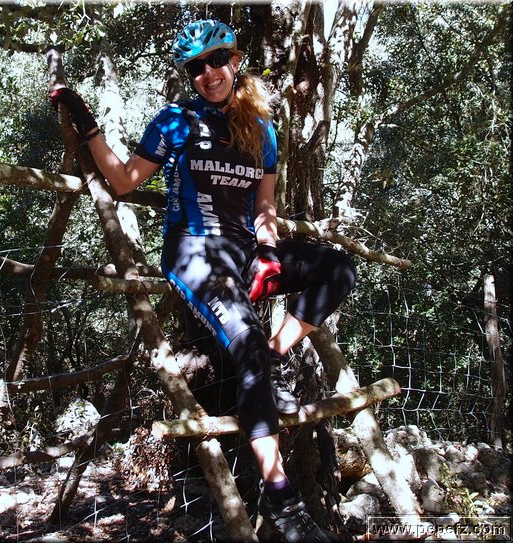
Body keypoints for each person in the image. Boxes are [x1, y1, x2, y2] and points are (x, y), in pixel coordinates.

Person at [51, 19, 356, 542]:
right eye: (196, 67)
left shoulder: (261, 128)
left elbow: (265, 204)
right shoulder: (175, 120)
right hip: (194, 252)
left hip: (244, 253)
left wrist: (267, 252)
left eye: (217, 61)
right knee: (245, 343)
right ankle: (281, 499)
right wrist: (88, 125)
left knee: (338, 268)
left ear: (235, 61)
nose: (208, 73)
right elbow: (123, 181)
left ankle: (273, 357)